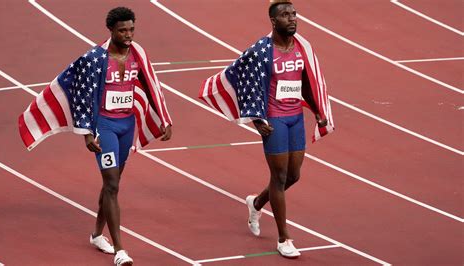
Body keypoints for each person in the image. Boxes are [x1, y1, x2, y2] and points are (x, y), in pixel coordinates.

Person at [18, 7, 172, 266]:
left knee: (113, 184)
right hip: (105, 126)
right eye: (122, 30)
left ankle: (97, 234)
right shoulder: (95, 58)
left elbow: (151, 83)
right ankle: (120, 250)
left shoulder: (138, 53)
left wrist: (164, 118)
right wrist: (86, 133)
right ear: (110, 30)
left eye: (131, 29)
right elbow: (82, 95)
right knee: (111, 185)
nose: (128, 35)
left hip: (127, 124)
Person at [199, 0, 334, 259]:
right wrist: (256, 117)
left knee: (294, 176)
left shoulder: (302, 48)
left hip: (296, 117)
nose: (292, 19)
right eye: (285, 15)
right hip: (275, 119)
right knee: (280, 177)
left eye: (294, 14)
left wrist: (317, 110)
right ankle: (284, 238)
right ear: (274, 21)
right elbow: (244, 77)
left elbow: (306, 82)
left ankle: (256, 203)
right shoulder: (261, 50)